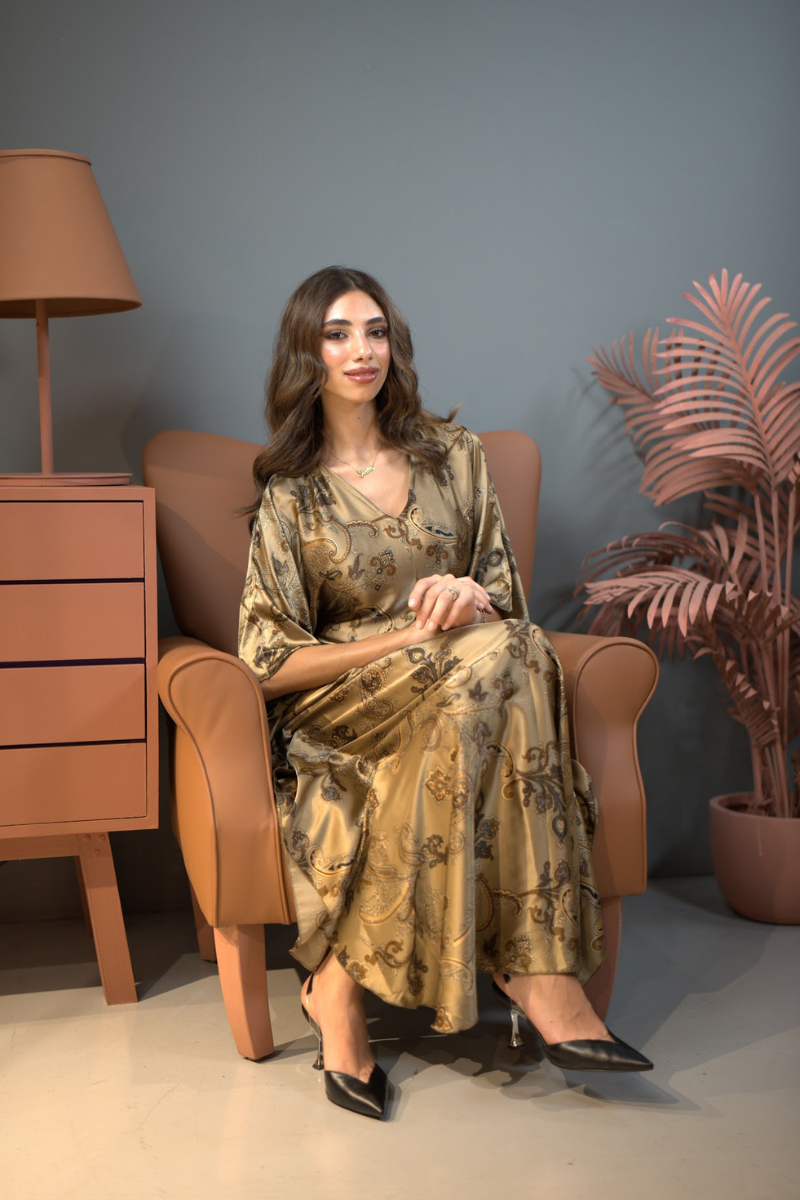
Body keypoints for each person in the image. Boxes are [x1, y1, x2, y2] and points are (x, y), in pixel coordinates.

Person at [238, 266, 652, 1119]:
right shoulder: (292, 496)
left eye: (377, 330)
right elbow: (267, 658)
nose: (362, 350)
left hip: (466, 680)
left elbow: (507, 599)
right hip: (345, 707)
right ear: (305, 353)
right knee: (505, 658)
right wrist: (405, 638)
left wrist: (470, 595)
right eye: (339, 333)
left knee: (512, 649)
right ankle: (539, 978)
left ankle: (340, 986)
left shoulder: (453, 457)